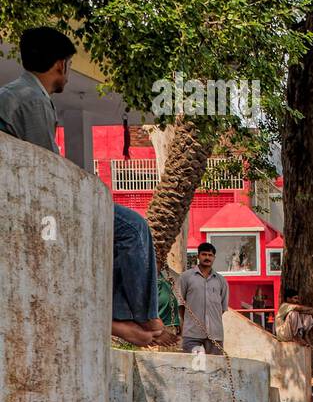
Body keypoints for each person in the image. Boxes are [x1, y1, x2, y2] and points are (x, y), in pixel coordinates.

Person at [0, 27, 164, 346]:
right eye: (69, 66)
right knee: (133, 227)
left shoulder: (13, 92)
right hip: (35, 203)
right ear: (61, 65)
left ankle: (124, 316)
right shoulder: (31, 98)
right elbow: (46, 169)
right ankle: (140, 315)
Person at [177, 242, 229, 354]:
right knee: (193, 368)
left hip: (215, 335)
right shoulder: (186, 277)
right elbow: (180, 304)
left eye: (210, 255)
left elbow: (222, 308)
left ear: (214, 257)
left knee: (215, 368)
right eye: (204, 254)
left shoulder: (221, 281)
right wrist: (190, 322)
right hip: (192, 335)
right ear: (198, 256)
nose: (207, 257)